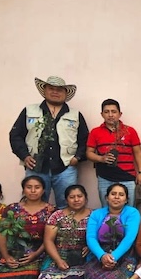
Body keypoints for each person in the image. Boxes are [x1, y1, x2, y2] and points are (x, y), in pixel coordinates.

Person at [9, 76, 89, 210]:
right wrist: (24, 156)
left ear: (65, 93)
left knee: (67, 206)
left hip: (65, 168)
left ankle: (63, 232)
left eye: (59, 90)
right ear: (44, 91)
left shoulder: (75, 115)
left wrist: (78, 158)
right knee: (34, 205)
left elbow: (85, 139)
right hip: (36, 167)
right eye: (51, 88)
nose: (55, 92)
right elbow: (15, 135)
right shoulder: (29, 111)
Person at [0, 176, 55, 279]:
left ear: (43, 190)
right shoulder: (12, 209)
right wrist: (6, 256)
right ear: (23, 190)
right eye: (29, 187)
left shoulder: (51, 210)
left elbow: (50, 238)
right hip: (14, 249)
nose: (33, 191)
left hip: (41, 250)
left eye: (37, 187)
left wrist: (35, 254)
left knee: (30, 276)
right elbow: (2, 234)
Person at [83, 183, 141, 279]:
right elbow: (91, 238)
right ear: (107, 197)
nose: (117, 197)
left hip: (124, 255)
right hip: (99, 255)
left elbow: (129, 238)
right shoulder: (96, 214)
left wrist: (113, 257)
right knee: (93, 278)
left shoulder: (132, 213)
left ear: (126, 199)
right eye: (113, 194)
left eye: (121, 195)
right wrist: (102, 256)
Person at [37, 185, 91, 279]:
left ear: (86, 199)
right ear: (66, 200)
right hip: (58, 255)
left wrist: (90, 247)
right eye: (72, 197)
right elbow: (48, 241)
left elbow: (98, 238)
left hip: (85, 258)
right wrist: (58, 260)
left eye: (79, 196)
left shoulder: (94, 215)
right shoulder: (57, 216)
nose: (76, 200)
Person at [86, 99, 141, 207]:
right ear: (102, 114)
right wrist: (101, 159)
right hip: (104, 177)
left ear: (120, 114)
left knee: (128, 210)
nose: (110, 115)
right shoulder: (95, 132)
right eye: (106, 112)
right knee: (106, 209)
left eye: (113, 111)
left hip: (127, 176)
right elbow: (89, 153)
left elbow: (138, 153)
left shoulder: (130, 131)